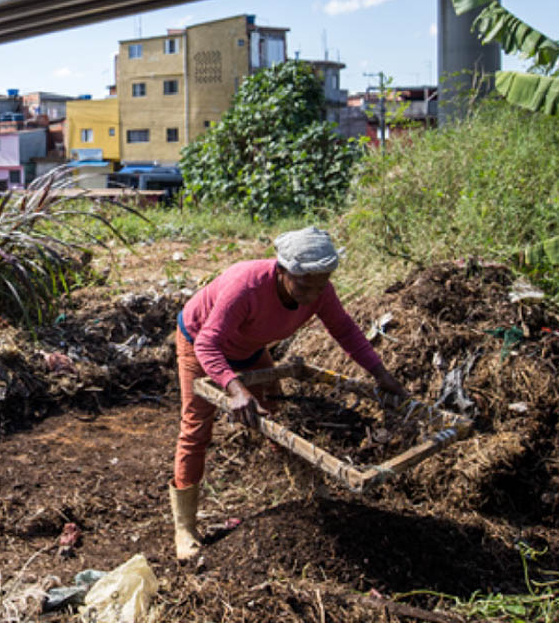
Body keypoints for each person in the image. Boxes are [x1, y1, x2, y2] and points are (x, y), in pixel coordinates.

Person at [170, 226, 410, 559]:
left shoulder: (318, 290)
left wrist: (381, 375)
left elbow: (345, 330)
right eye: (303, 285)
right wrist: (235, 388)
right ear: (281, 271)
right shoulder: (247, 287)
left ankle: (304, 490)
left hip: (250, 346)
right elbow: (208, 343)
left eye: (320, 285)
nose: (312, 295)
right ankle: (184, 529)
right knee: (196, 427)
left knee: (274, 412)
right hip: (200, 341)